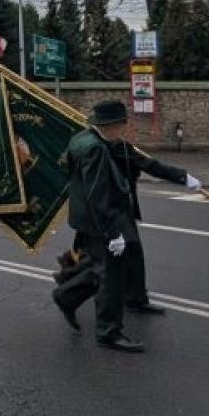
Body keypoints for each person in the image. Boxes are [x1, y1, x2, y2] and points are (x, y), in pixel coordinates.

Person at [51, 100, 149, 353]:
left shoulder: (81, 138)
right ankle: (108, 332)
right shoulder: (96, 149)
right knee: (111, 278)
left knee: (98, 269)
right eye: (122, 124)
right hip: (100, 220)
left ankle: (66, 296)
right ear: (114, 125)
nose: (124, 129)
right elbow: (98, 194)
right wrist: (112, 232)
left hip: (85, 219)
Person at [111, 138, 198, 316]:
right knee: (110, 258)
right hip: (111, 210)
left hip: (118, 209)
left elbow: (145, 164)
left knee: (124, 254)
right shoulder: (112, 147)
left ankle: (135, 297)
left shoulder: (115, 144)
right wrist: (182, 177)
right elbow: (150, 165)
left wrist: (183, 177)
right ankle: (67, 293)